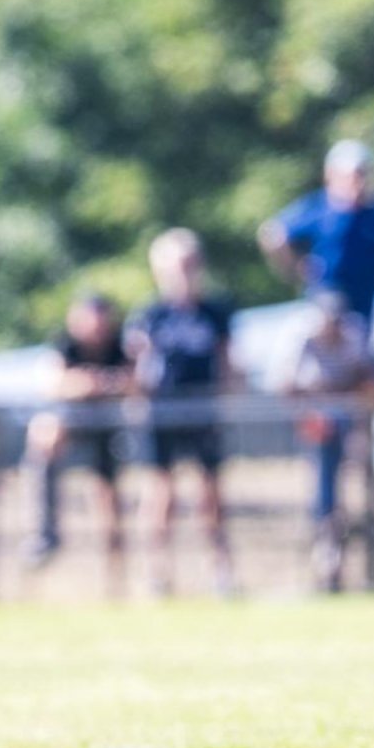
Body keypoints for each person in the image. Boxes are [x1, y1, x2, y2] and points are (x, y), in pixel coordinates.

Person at [125, 229, 235, 596]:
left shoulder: (215, 312)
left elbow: (226, 361)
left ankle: (220, 571)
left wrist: (225, 396)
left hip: (203, 409)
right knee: (160, 494)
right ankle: (157, 574)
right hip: (162, 411)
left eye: (190, 264)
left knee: (211, 494)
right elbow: (138, 367)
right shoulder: (150, 315)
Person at [23, 294, 132, 594]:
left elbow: (133, 381)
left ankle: (115, 583)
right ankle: (44, 532)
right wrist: (92, 384)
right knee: (45, 433)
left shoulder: (119, 345)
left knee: (109, 505)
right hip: (72, 427)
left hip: (107, 432)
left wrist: (94, 384)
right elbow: (53, 382)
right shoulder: (65, 345)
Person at [258, 139, 374, 332]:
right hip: (326, 299)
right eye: (351, 176)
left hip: (365, 299)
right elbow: (273, 234)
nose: (357, 182)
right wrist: (295, 269)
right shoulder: (318, 207)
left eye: (362, 174)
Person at [284, 290, 374, 592]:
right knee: (324, 484)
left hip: (350, 430)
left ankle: (335, 534)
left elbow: (365, 381)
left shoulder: (352, 339)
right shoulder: (303, 341)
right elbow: (286, 385)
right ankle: (327, 537)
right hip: (316, 431)